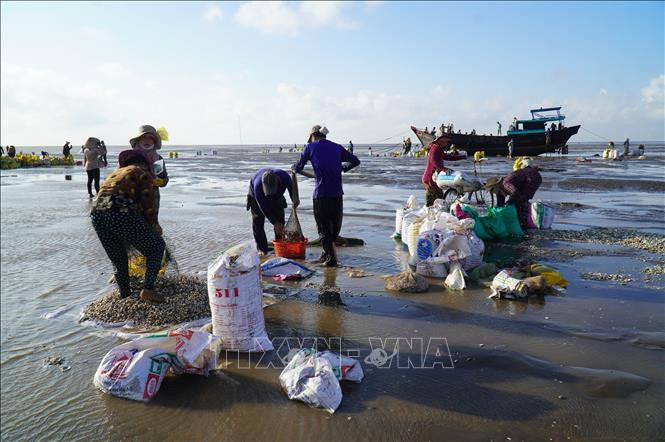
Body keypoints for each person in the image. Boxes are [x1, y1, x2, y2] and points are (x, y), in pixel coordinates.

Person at [90, 149, 165, 302]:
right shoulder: (141, 172)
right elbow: (148, 202)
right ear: (143, 164)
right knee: (156, 248)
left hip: (96, 214)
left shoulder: (116, 173)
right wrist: (154, 224)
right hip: (120, 211)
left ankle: (125, 294)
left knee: (118, 258)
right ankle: (148, 289)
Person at [292, 125, 360, 267]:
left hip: (321, 195)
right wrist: (343, 168)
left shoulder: (309, 147)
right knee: (334, 228)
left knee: (323, 229)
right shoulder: (337, 147)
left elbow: (298, 167)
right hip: (337, 194)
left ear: (312, 136)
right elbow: (355, 161)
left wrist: (294, 168)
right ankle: (325, 254)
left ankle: (331, 260)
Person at [247, 168, 298, 255]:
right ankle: (262, 249)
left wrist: (295, 200)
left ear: (278, 183)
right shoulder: (258, 187)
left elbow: (291, 189)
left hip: (277, 197)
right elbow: (263, 207)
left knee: (280, 220)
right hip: (256, 198)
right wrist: (274, 222)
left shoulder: (285, 177)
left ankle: (279, 246)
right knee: (258, 220)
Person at [485, 158, 542, 230]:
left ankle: (523, 225)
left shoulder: (506, 183)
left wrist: (508, 203)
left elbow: (515, 192)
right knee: (516, 202)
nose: (492, 192)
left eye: (492, 190)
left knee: (521, 201)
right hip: (525, 179)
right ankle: (520, 222)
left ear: (496, 185)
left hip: (533, 178)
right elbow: (500, 204)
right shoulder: (499, 190)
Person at [130, 124, 169, 215]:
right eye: (144, 137)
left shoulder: (158, 159)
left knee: (151, 227)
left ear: (154, 141)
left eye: (150, 138)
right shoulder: (129, 157)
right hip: (132, 200)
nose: (147, 141)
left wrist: (162, 181)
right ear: (138, 140)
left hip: (152, 201)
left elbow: (164, 178)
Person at [421, 140, 458, 207]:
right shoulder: (435, 148)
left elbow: (446, 156)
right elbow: (433, 161)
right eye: (442, 141)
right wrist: (444, 169)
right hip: (430, 179)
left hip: (434, 178)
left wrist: (461, 157)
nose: (444, 143)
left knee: (439, 199)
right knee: (432, 202)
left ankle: (434, 214)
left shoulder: (438, 148)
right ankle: (430, 215)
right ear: (438, 141)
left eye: (445, 141)